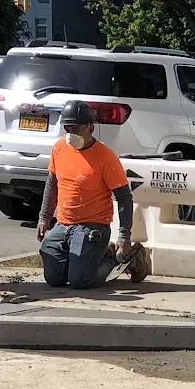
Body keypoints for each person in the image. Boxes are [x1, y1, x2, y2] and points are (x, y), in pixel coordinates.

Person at [36, 100, 145, 288]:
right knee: (54, 279)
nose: (70, 134)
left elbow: (124, 198)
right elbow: (52, 183)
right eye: (67, 128)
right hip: (63, 225)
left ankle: (128, 257)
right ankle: (98, 255)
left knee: (80, 281)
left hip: (91, 226)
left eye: (76, 129)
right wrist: (44, 217)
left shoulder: (106, 157)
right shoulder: (59, 149)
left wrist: (124, 236)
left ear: (90, 128)